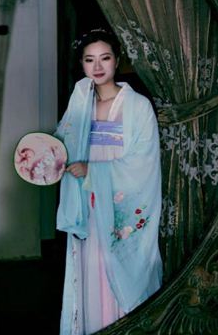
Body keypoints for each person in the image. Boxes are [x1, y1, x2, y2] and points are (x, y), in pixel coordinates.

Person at [55, 29, 163, 334]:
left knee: (118, 268)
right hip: (87, 206)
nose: (98, 66)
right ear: (82, 64)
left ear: (117, 60)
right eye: (90, 60)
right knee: (91, 270)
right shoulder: (80, 105)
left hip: (117, 207)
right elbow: (60, 149)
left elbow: (144, 162)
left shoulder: (138, 106)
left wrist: (94, 171)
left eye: (105, 58)